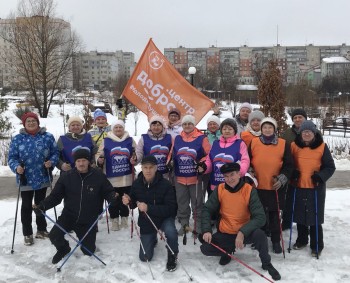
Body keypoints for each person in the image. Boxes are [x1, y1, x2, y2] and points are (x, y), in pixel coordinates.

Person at [33, 147, 118, 264]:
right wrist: (42, 206)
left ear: (89, 161)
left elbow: (108, 192)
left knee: (88, 251)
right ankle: (63, 249)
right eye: (78, 161)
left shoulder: (98, 176)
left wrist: (113, 197)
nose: (81, 163)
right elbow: (55, 196)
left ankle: (86, 242)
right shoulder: (66, 177)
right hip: (69, 216)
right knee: (54, 236)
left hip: (88, 219)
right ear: (75, 162)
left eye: (84, 160)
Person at [200, 162, 281, 281]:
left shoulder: (249, 190)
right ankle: (227, 252)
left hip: (245, 232)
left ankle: (266, 262)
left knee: (260, 235)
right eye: (226, 176)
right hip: (226, 231)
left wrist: (242, 232)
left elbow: (260, 217)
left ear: (239, 174)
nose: (229, 179)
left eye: (232, 175)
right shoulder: (220, 189)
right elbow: (207, 209)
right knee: (205, 248)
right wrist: (207, 230)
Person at [8, 112, 59, 245]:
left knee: (41, 203)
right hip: (25, 177)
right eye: (28, 121)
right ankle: (27, 233)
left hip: (42, 175)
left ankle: (41, 230)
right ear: (24, 123)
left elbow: (55, 153)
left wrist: (51, 162)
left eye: (33, 120)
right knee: (26, 206)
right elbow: (12, 157)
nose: (31, 123)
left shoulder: (47, 137)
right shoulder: (18, 138)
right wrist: (16, 167)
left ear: (38, 122)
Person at [122, 155, 179, 272]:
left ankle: (173, 254)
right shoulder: (137, 183)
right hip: (147, 220)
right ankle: (152, 239)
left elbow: (171, 209)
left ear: (156, 168)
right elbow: (133, 202)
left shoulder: (166, 184)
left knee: (171, 231)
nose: (148, 170)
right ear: (141, 168)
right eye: (145, 167)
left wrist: (149, 208)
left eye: (151, 167)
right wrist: (128, 200)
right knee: (145, 257)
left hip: (164, 218)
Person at [248, 117, 293, 254]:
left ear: (275, 129)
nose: (267, 130)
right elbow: (248, 161)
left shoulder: (283, 143)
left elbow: (289, 165)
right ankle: (259, 239)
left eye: (270, 127)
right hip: (258, 186)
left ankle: (275, 241)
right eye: (265, 127)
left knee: (274, 216)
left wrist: (282, 179)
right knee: (259, 215)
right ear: (261, 129)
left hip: (275, 186)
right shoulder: (254, 142)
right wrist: (250, 172)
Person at [290, 121, 335, 257]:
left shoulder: (322, 146)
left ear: (314, 133)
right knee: (300, 215)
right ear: (300, 133)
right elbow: (287, 163)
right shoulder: (293, 146)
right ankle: (302, 240)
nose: (307, 133)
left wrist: (320, 176)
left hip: (315, 187)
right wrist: (293, 173)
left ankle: (317, 245)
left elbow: (330, 167)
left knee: (315, 216)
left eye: (309, 131)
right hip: (298, 185)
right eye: (304, 131)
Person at [173, 115, 211, 235]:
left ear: (194, 125)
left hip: (195, 177)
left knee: (197, 202)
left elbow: (209, 155)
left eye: (189, 123)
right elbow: (172, 153)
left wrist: (202, 163)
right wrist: (169, 161)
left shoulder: (201, 138)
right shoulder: (178, 138)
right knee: (182, 202)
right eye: (185, 124)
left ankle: (198, 224)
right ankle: (184, 224)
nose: (187, 126)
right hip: (180, 176)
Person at [96, 120, 136, 231]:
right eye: (116, 127)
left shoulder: (130, 140)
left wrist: (135, 157)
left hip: (126, 177)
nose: (118, 129)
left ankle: (124, 218)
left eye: (120, 127)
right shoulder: (106, 141)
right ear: (112, 129)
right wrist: (99, 159)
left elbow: (136, 152)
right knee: (113, 200)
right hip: (111, 177)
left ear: (123, 128)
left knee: (125, 198)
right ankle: (114, 219)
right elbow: (99, 154)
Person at [200, 118, 250, 196]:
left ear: (234, 131)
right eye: (224, 129)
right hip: (216, 183)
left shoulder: (240, 143)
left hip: (233, 184)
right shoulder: (215, 143)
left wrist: (240, 172)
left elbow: (245, 160)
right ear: (221, 130)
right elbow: (209, 160)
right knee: (215, 207)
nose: (227, 131)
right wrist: (204, 167)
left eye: (230, 129)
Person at [281, 108, 307, 230]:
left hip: (307, 171)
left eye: (300, 117)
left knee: (304, 200)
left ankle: (304, 223)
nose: (297, 119)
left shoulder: (313, 132)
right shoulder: (287, 134)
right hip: (290, 170)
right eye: (295, 117)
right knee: (289, 198)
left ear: (305, 118)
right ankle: (286, 221)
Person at [201, 115, 221, 200]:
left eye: (214, 124)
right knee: (206, 190)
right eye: (210, 124)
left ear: (218, 125)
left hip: (218, 168)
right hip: (207, 166)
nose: (212, 126)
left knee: (217, 191)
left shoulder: (223, 136)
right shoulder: (203, 136)